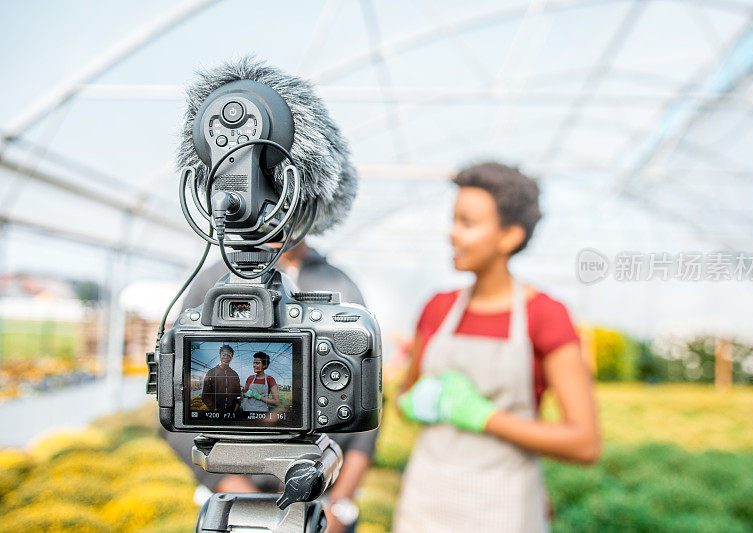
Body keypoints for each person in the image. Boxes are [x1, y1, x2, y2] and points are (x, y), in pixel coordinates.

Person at [393, 162, 601, 533]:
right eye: (453, 220)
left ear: (509, 236)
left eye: (467, 223)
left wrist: (483, 415)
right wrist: (412, 402)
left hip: (504, 505)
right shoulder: (437, 307)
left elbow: (584, 443)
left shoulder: (545, 315)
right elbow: (405, 397)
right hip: (427, 500)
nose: (452, 234)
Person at [164, 240, 377, 533]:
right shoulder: (215, 279)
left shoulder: (341, 283)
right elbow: (177, 399)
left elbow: (367, 406)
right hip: (234, 505)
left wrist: (337, 509)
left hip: (324, 501)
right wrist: (248, 504)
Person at [201, 344, 241, 412]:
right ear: (220, 356)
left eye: (228, 355)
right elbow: (205, 395)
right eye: (224, 355)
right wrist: (213, 407)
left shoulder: (234, 374)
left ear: (231, 357)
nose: (226, 357)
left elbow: (238, 393)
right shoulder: (211, 373)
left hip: (231, 411)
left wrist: (237, 404)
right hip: (215, 412)